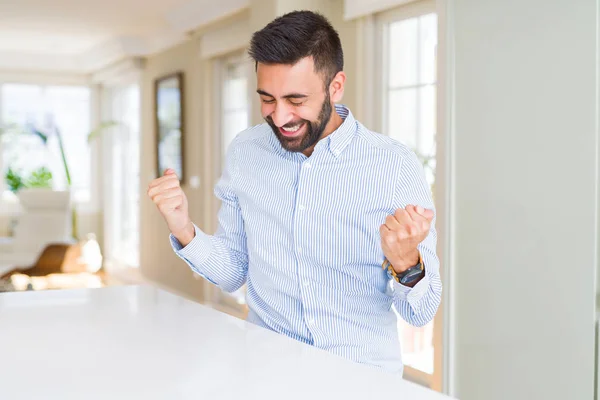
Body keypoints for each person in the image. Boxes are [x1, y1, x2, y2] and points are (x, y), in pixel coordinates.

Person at [148, 10, 442, 375]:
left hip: (360, 379)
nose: (280, 116)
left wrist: (407, 263)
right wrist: (183, 228)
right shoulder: (245, 152)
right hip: (266, 370)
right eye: (267, 99)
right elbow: (234, 271)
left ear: (335, 86)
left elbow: (421, 311)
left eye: (296, 99)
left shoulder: (394, 165)